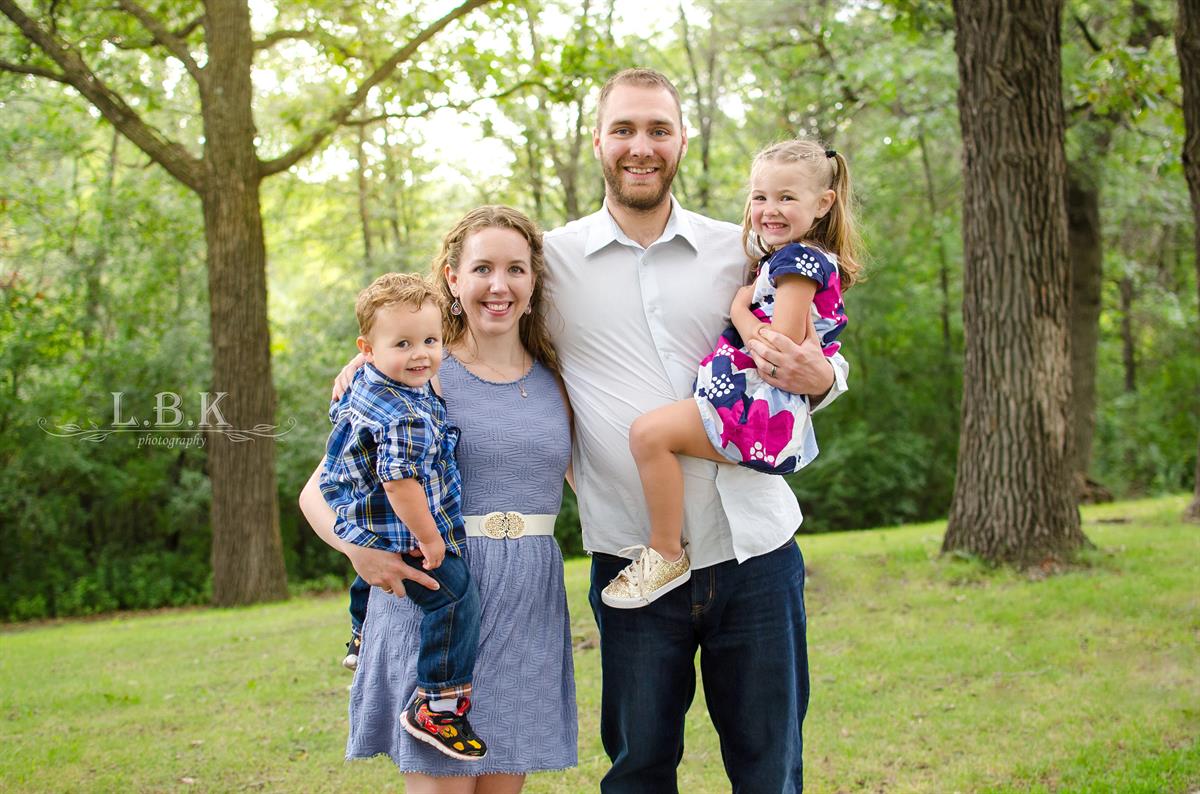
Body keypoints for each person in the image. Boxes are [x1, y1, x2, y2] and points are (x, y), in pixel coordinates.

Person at [542, 68, 849, 793]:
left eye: (658, 129)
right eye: (623, 129)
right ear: (597, 141)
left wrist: (827, 379)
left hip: (754, 550)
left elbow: (814, 347)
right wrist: (370, 363)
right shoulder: (550, 262)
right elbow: (467, 332)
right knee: (639, 771)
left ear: (682, 139)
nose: (640, 146)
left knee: (770, 771)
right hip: (632, 557)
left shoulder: (741, 248)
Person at [300, 205, 577, 794]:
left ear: (534, 281)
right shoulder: (414, 372)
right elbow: (316, 492)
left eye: (515, 269)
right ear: (452, 278)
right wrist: (359, 552)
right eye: (482, 269)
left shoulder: (559, 379)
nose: (499, 285)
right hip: (439, 597)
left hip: (528, 600)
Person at [601, 137, 862, 609]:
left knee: (648, 435)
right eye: (760, 196)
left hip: (758, 405)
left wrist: (740, 310)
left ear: (823, 204)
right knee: (652, 435)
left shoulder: (798, 262)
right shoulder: (782, 258)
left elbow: (778, 350)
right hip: (753, 401)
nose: (770, 209)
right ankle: (668, 549)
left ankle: (665, 552)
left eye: (787, 197)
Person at [319, 272, 486, 761]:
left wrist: (372, 356)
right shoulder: (404, 414)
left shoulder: (366, 382)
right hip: (404, 532)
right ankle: (438, 703)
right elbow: (400, 483)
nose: (421, 355)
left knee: (368, 578)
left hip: (363, 517)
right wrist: (431, 540)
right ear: (367, 349)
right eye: (404, 344)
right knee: (454, 595)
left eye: (431, 341)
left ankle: (360, 631)